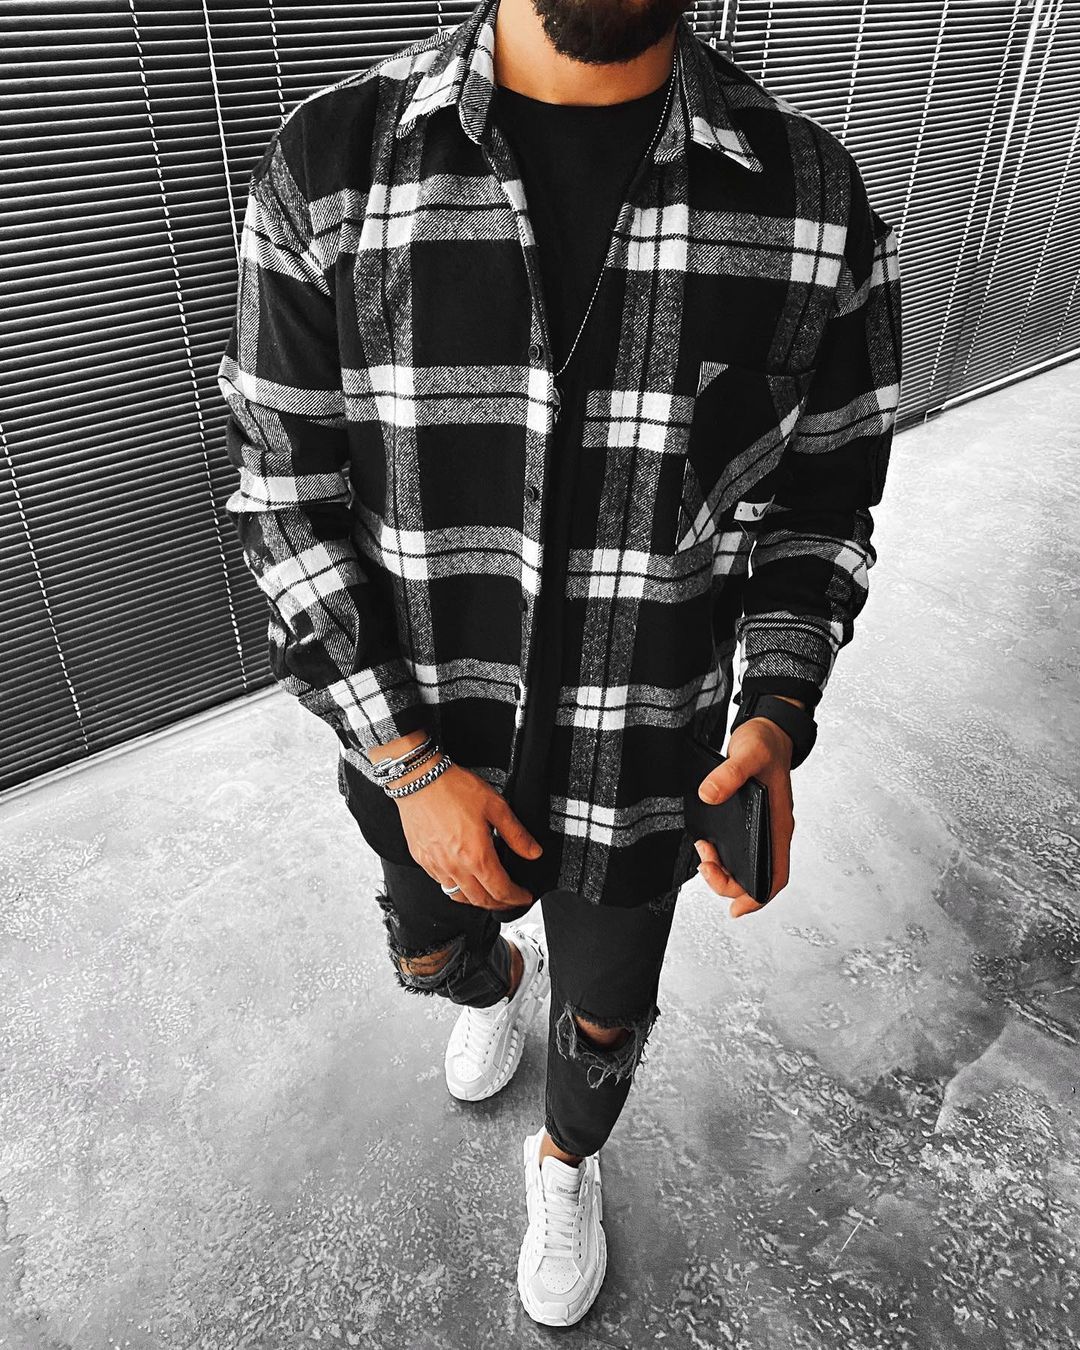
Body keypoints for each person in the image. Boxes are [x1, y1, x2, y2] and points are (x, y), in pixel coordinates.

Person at [217, 0, 902, 1327]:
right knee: (431, 954)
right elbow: (284, 498)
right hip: (420, 739)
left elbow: (824, 505)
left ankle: (568, 1160)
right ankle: (488, 983)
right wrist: (408, 764)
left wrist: (776, 714)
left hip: (644, 765)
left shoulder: (810, 201)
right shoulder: (334, 166)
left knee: (607, 1018)